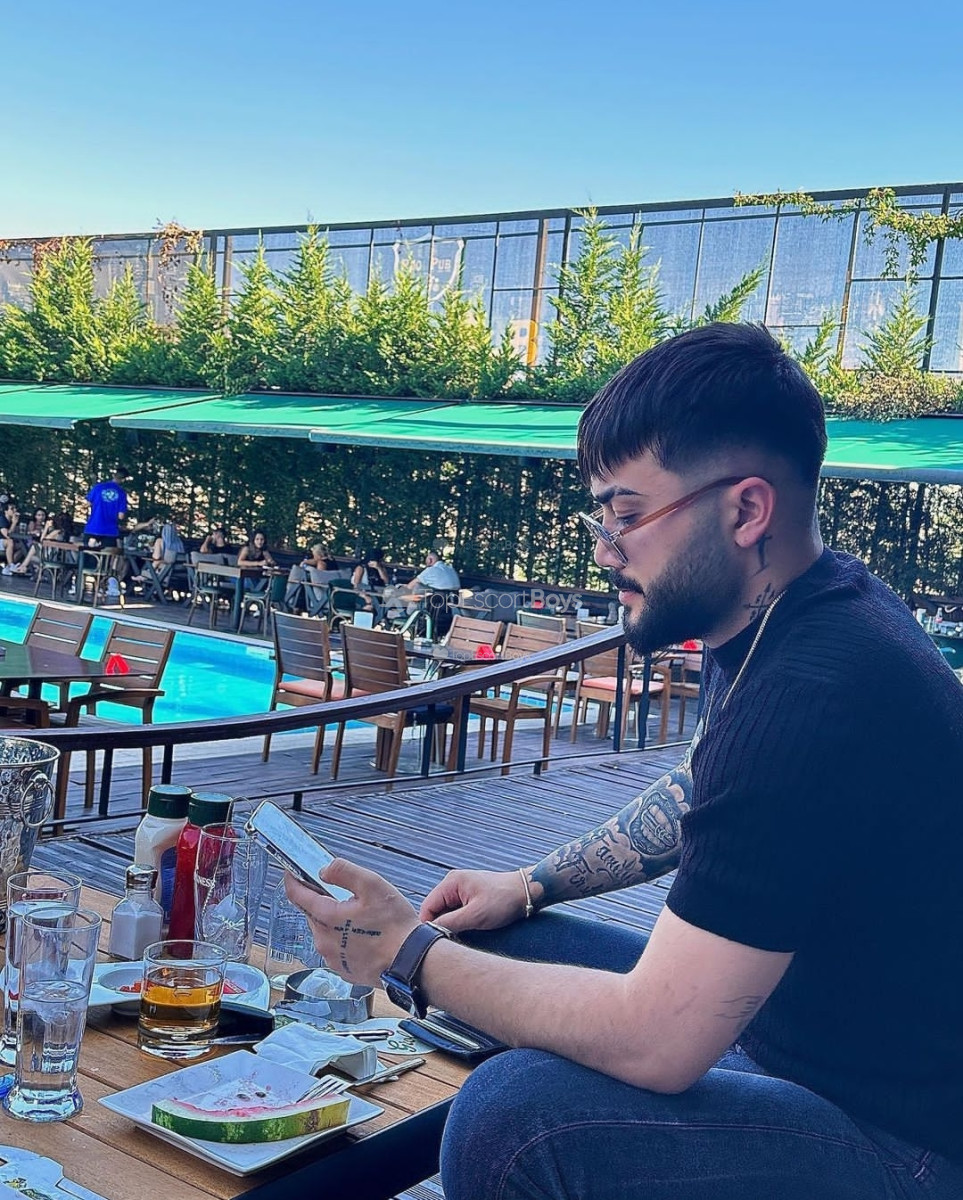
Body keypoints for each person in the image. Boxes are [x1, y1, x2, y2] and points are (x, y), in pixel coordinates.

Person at [286, 323, 963, 1199]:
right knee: (501, 937)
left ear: (745, 511)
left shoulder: (814, 691)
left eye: (628, 515)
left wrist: (406, 953)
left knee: (513, 1121)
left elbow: (657, 1042)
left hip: (903, 1140)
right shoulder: (793, 610)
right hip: (788, 1033)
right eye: (600, 518)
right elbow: (700, 791)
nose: (604, 550)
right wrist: (527, 884)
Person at [0, 501, 22, 573]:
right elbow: (8, 535)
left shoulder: (13, 520)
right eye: (12, 509)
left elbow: (17, 533)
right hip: (1, 541)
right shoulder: (2, 519)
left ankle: (8, 567)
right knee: (10, 541)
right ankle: (11, 565)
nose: (14, 510)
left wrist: (15, 522)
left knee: (22, 546)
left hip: (6, 543)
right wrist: (14, 523)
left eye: (15, 508)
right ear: (6, 511)